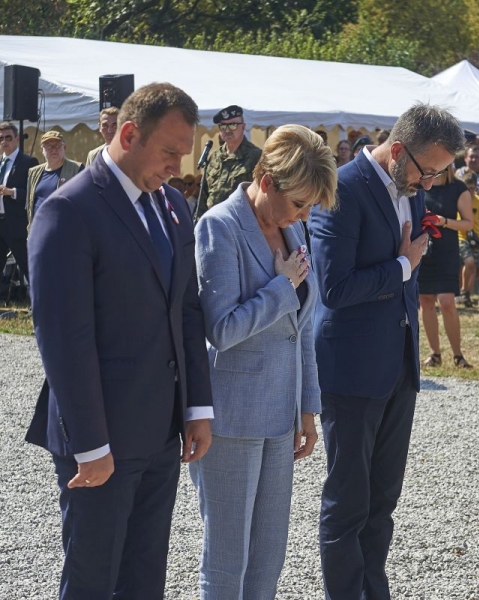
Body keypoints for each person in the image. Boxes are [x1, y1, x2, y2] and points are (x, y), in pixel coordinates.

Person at [25, 82, 214, 599]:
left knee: (144, 581)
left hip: (161, 433)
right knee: (92, 582)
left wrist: (197, 407)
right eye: (169, 152)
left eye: (183, 153)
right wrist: (91, 445)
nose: (177, 166)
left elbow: (187, 311)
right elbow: (64, 340)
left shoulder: (173, 207)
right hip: (102, 440)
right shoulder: (69, 210)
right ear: (129, 135)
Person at [309, 103, 464, 599]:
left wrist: (406, 264)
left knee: (382, 504)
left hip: (398, 367)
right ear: (397, 150)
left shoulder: (411, 189)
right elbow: (333, 288)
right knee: (348, 503)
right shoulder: (342, 189)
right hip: (353, 370)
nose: (431, 182)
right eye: (428, 170)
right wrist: (401, 266)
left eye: (440, 173)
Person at [191, 125, 337, 599]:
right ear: (267, 181)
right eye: (300, 203)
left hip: (281, 415)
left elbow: (303, 327)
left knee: (268, 559)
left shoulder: (293, 228)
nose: (306, 215)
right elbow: (221, 329)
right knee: (227, 561)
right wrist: (282, 287)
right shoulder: (219, 225)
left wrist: (308, 407)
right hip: (231, 418)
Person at [419, 168, 474, 368]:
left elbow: (468, 224)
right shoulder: (420, 184)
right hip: (423, 250)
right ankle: (435, 354)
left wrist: (443, 221)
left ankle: (458, 355)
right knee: (425, 301)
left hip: (447, 251)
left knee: (446, 301)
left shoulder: (458, 188)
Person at [196, 104, 262, 218]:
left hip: (239, 221)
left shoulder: (256, 156)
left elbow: (260, 195)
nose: (227, 130)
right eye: (223, 126)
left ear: (243, 127)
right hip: (213, 220)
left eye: (233, 125)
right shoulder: (214, 156)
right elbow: (204, 194)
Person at [0, 121, 39, 285]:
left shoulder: (28, 162)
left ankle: (41, 297)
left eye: (8, 137)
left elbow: (34, 193)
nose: (4, 141)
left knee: (29, 267)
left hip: (17, 225)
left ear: (17, 139)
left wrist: (12, 192)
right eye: (1, 138)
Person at [26, 131, 83, 227]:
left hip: (65, 228)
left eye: (57, 145)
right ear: (42, 150)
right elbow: (29, 203)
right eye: (48, 146)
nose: (53, 149)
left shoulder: (77, 169)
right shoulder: (33, 172)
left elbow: (83, 202)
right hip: (39, 228)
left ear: (64, 147)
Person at [458, 172, 479, 308]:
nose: (470, 191)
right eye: (467, 188)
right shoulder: (459, 200)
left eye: (472, 188)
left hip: (476, 237)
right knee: (469, 262)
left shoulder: (478, 201)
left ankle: (467, 293)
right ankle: (463, 291)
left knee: (473, 267)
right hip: (461, 236)